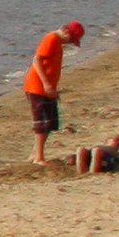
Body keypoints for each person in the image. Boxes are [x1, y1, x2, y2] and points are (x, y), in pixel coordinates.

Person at [24, 19, 83, 164]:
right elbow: (37, 60)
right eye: (72, 39)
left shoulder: (57, 42)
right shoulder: (51, 38)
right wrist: (46, 85)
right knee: (42, 123)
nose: (70, 43)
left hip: (47, 88)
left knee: (49, 122)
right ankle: (39, 157)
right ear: (66, 32)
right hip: (37, 87)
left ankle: (35, 154)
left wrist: (51, 87)